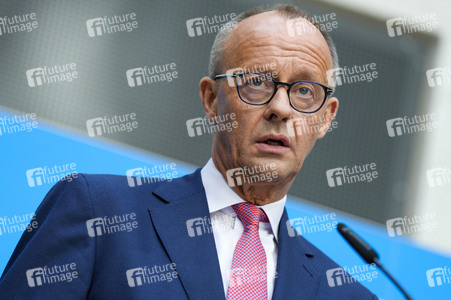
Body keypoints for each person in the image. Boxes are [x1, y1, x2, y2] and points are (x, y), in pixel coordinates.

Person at [0, 4, 377, 299]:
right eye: (257, 83)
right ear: (212, 100)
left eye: (305, 91)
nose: (280, 108)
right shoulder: (97, 212)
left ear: (326, 118)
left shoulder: (345, 293)